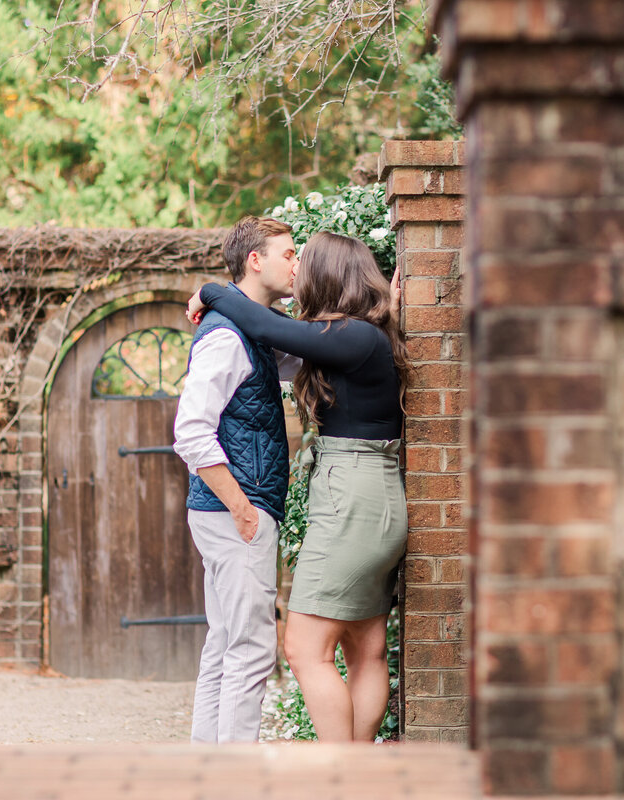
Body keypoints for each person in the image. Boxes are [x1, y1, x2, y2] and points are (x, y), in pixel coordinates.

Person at [187, 231, 411, 743]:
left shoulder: (351, 335)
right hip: (375, 493)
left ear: (329, 274)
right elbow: (278, 342)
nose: (298, 270)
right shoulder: (365, 335)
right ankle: (352, 775)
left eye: (304, 261)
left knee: (305, 647)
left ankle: (336, 773)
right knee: (364, 645)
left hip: (352, 494)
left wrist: (214, 291)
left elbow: (266, 326)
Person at [172, 216, 299, 743]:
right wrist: (243, 508)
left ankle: (210, 773)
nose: (296, 263)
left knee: (226, 646)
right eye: (289, 253)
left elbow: (308, 350)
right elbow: (191, 433)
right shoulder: (225, 338)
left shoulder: (252, 329)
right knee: (249, 651)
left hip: (230, 508)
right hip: (236, 509)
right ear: (256, 260)